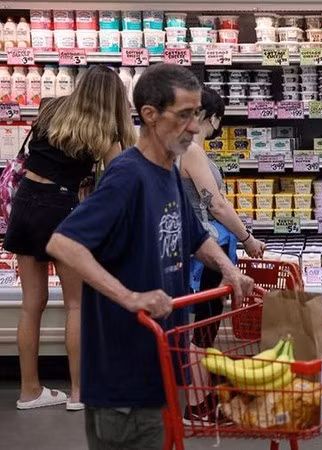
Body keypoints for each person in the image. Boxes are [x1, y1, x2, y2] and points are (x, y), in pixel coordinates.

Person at [46, 63, 254, 449]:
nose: (195, 126)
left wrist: (228, 269)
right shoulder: (128, 175)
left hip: (161, 362)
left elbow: (194, 236)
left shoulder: (168, 171)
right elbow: (63, 244)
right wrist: (131, 297)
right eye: (185, 115)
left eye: (196, 114)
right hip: (124, 377)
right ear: (149, 115)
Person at [5, 65, 137, 412]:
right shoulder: (105, 128)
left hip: (25, 203)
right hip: (62, 209)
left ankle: (29, 391)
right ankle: (79, 392)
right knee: (76, 304)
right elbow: (120, 178)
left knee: (32, 303)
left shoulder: (50, 108)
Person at [178, 86, 265, 424]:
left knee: (199, 327)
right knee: (203, 328)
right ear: (211, 117)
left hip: (196, 249)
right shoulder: (192, 150)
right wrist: (247, 238)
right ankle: (199, 407)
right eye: (218, 122)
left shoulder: (175, 148)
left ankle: (201, 396)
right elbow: (214, 203)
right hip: (205, 253)